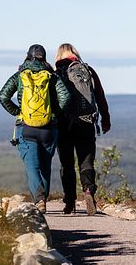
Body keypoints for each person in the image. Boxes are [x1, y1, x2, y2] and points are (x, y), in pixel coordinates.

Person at [0, 44, 70, 213]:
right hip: (49, 128)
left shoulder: (19, 76)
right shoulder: (52, 77)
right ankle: (42, 199)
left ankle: (38, 199)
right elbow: (65, 96)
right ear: (43, 58)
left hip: (27, 127)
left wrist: (18, 111)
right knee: (45, 166)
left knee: (32, 167)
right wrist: (54, 114)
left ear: (27, 57)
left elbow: (3, 96)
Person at [55, 43, 111, 215]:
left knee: (67, 164)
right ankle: (88, 191)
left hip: (64, 125)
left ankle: (70, 201)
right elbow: (100, 95)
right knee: (86, 161)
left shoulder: (56, 74)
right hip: (86, 122)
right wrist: (105, 119)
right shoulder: (88, 71)